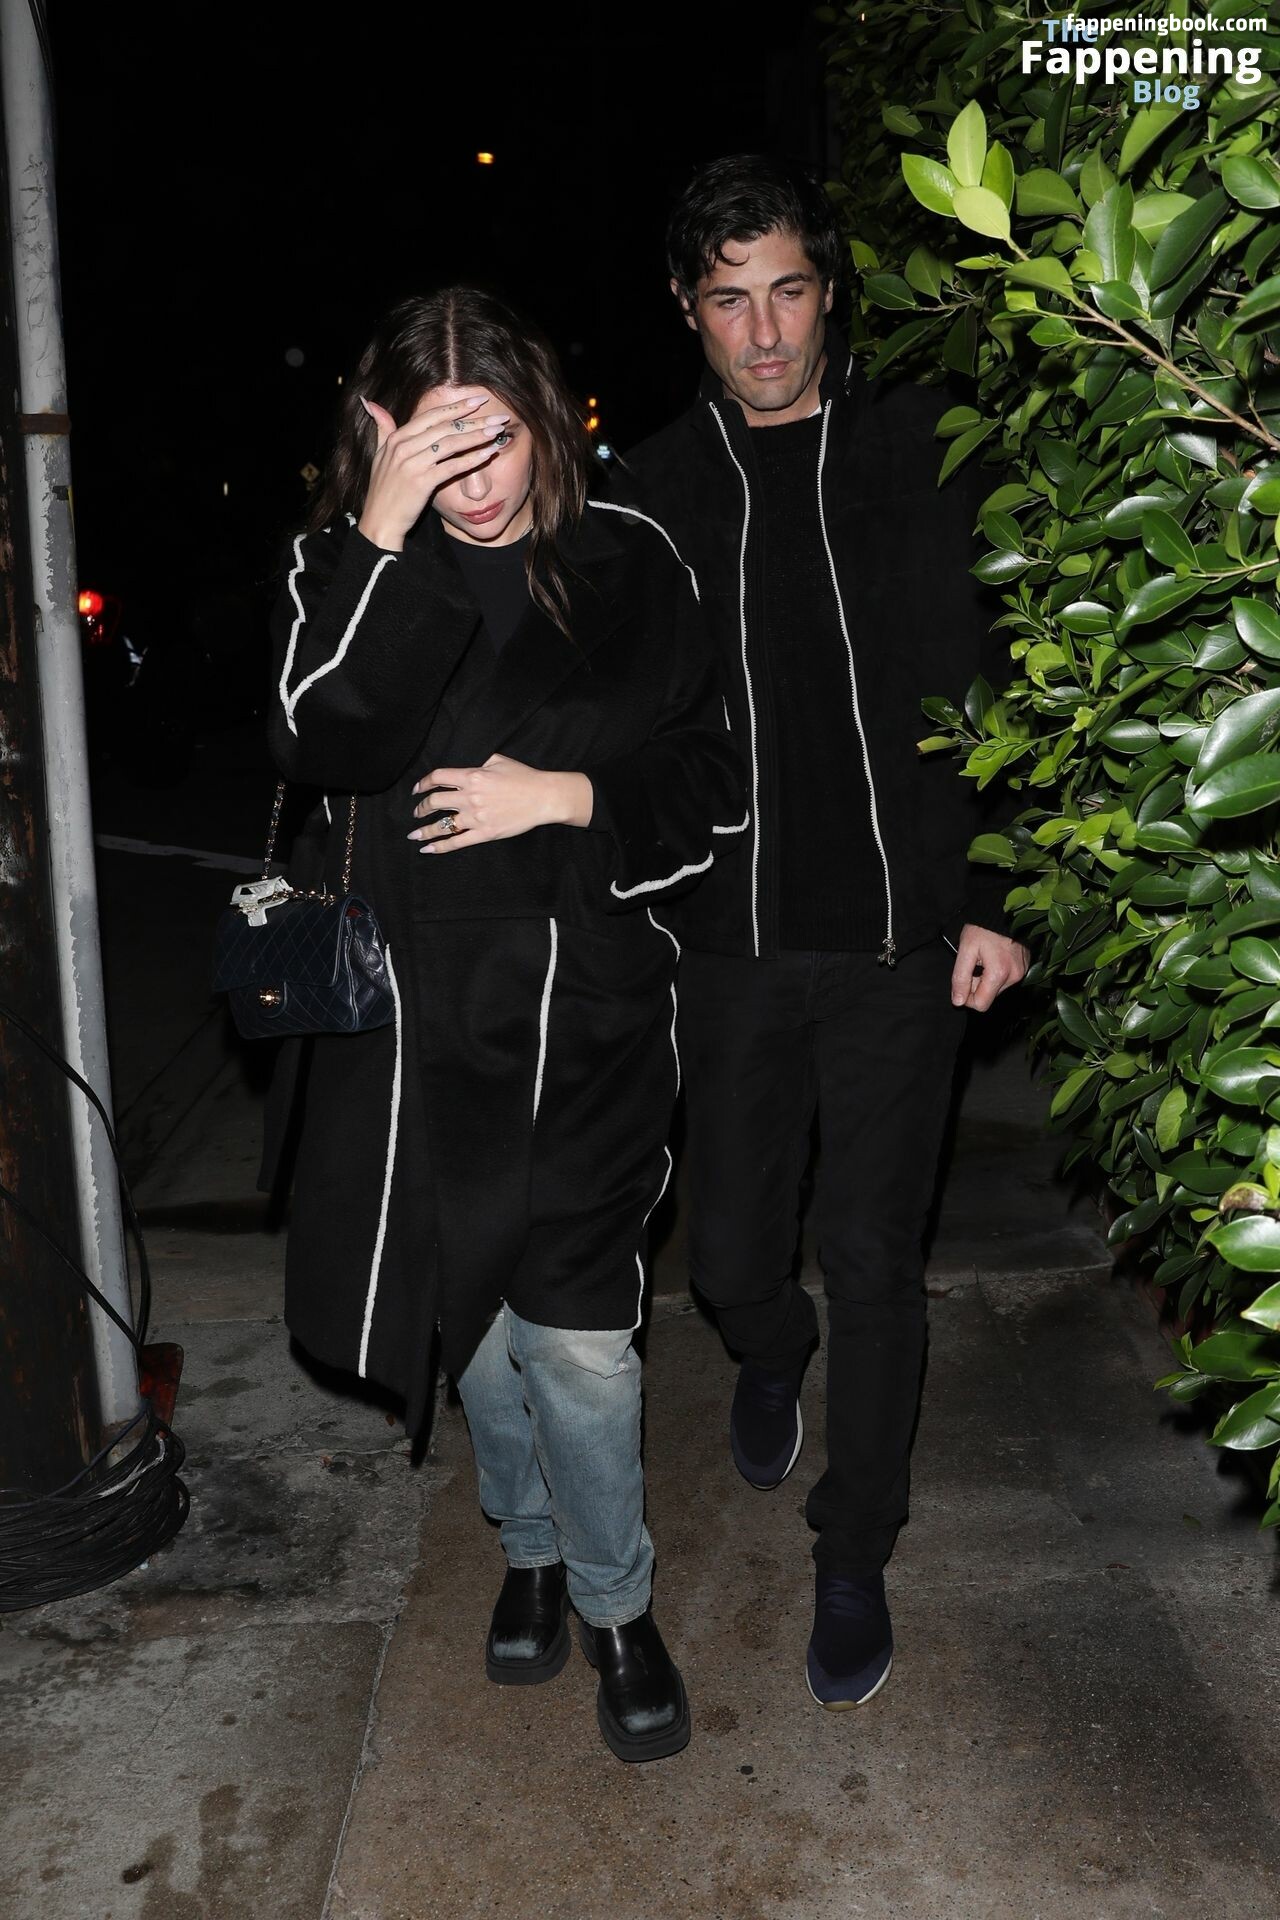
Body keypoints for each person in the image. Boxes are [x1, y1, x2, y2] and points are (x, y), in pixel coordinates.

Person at [265, 286, 744, 1764]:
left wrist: (567, 796)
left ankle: (616, 1604)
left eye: (498, 440)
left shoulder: (630, 562)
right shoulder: (353, 568)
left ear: (548, 422)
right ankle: (527, 1545)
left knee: (581, 1344)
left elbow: (714, 779)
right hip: (418, 1032)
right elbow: (319, 735)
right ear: (385, 442)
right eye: (437, 447)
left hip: (588, 1013)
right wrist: (379, 527)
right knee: (469, 1323)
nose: (474, 479)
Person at [615, 156, 1029, 1710]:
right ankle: (767, 1347)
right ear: (689, 310)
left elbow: (1010, 678)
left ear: (831, 292)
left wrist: (1000, 895)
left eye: (790, 290)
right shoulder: (652, 491)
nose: (767, 331)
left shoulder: (921, 449)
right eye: (732, 300)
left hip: (899, 947)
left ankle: (855, 1549)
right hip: (725, 945)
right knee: (728, 1255)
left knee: (875, 1256)